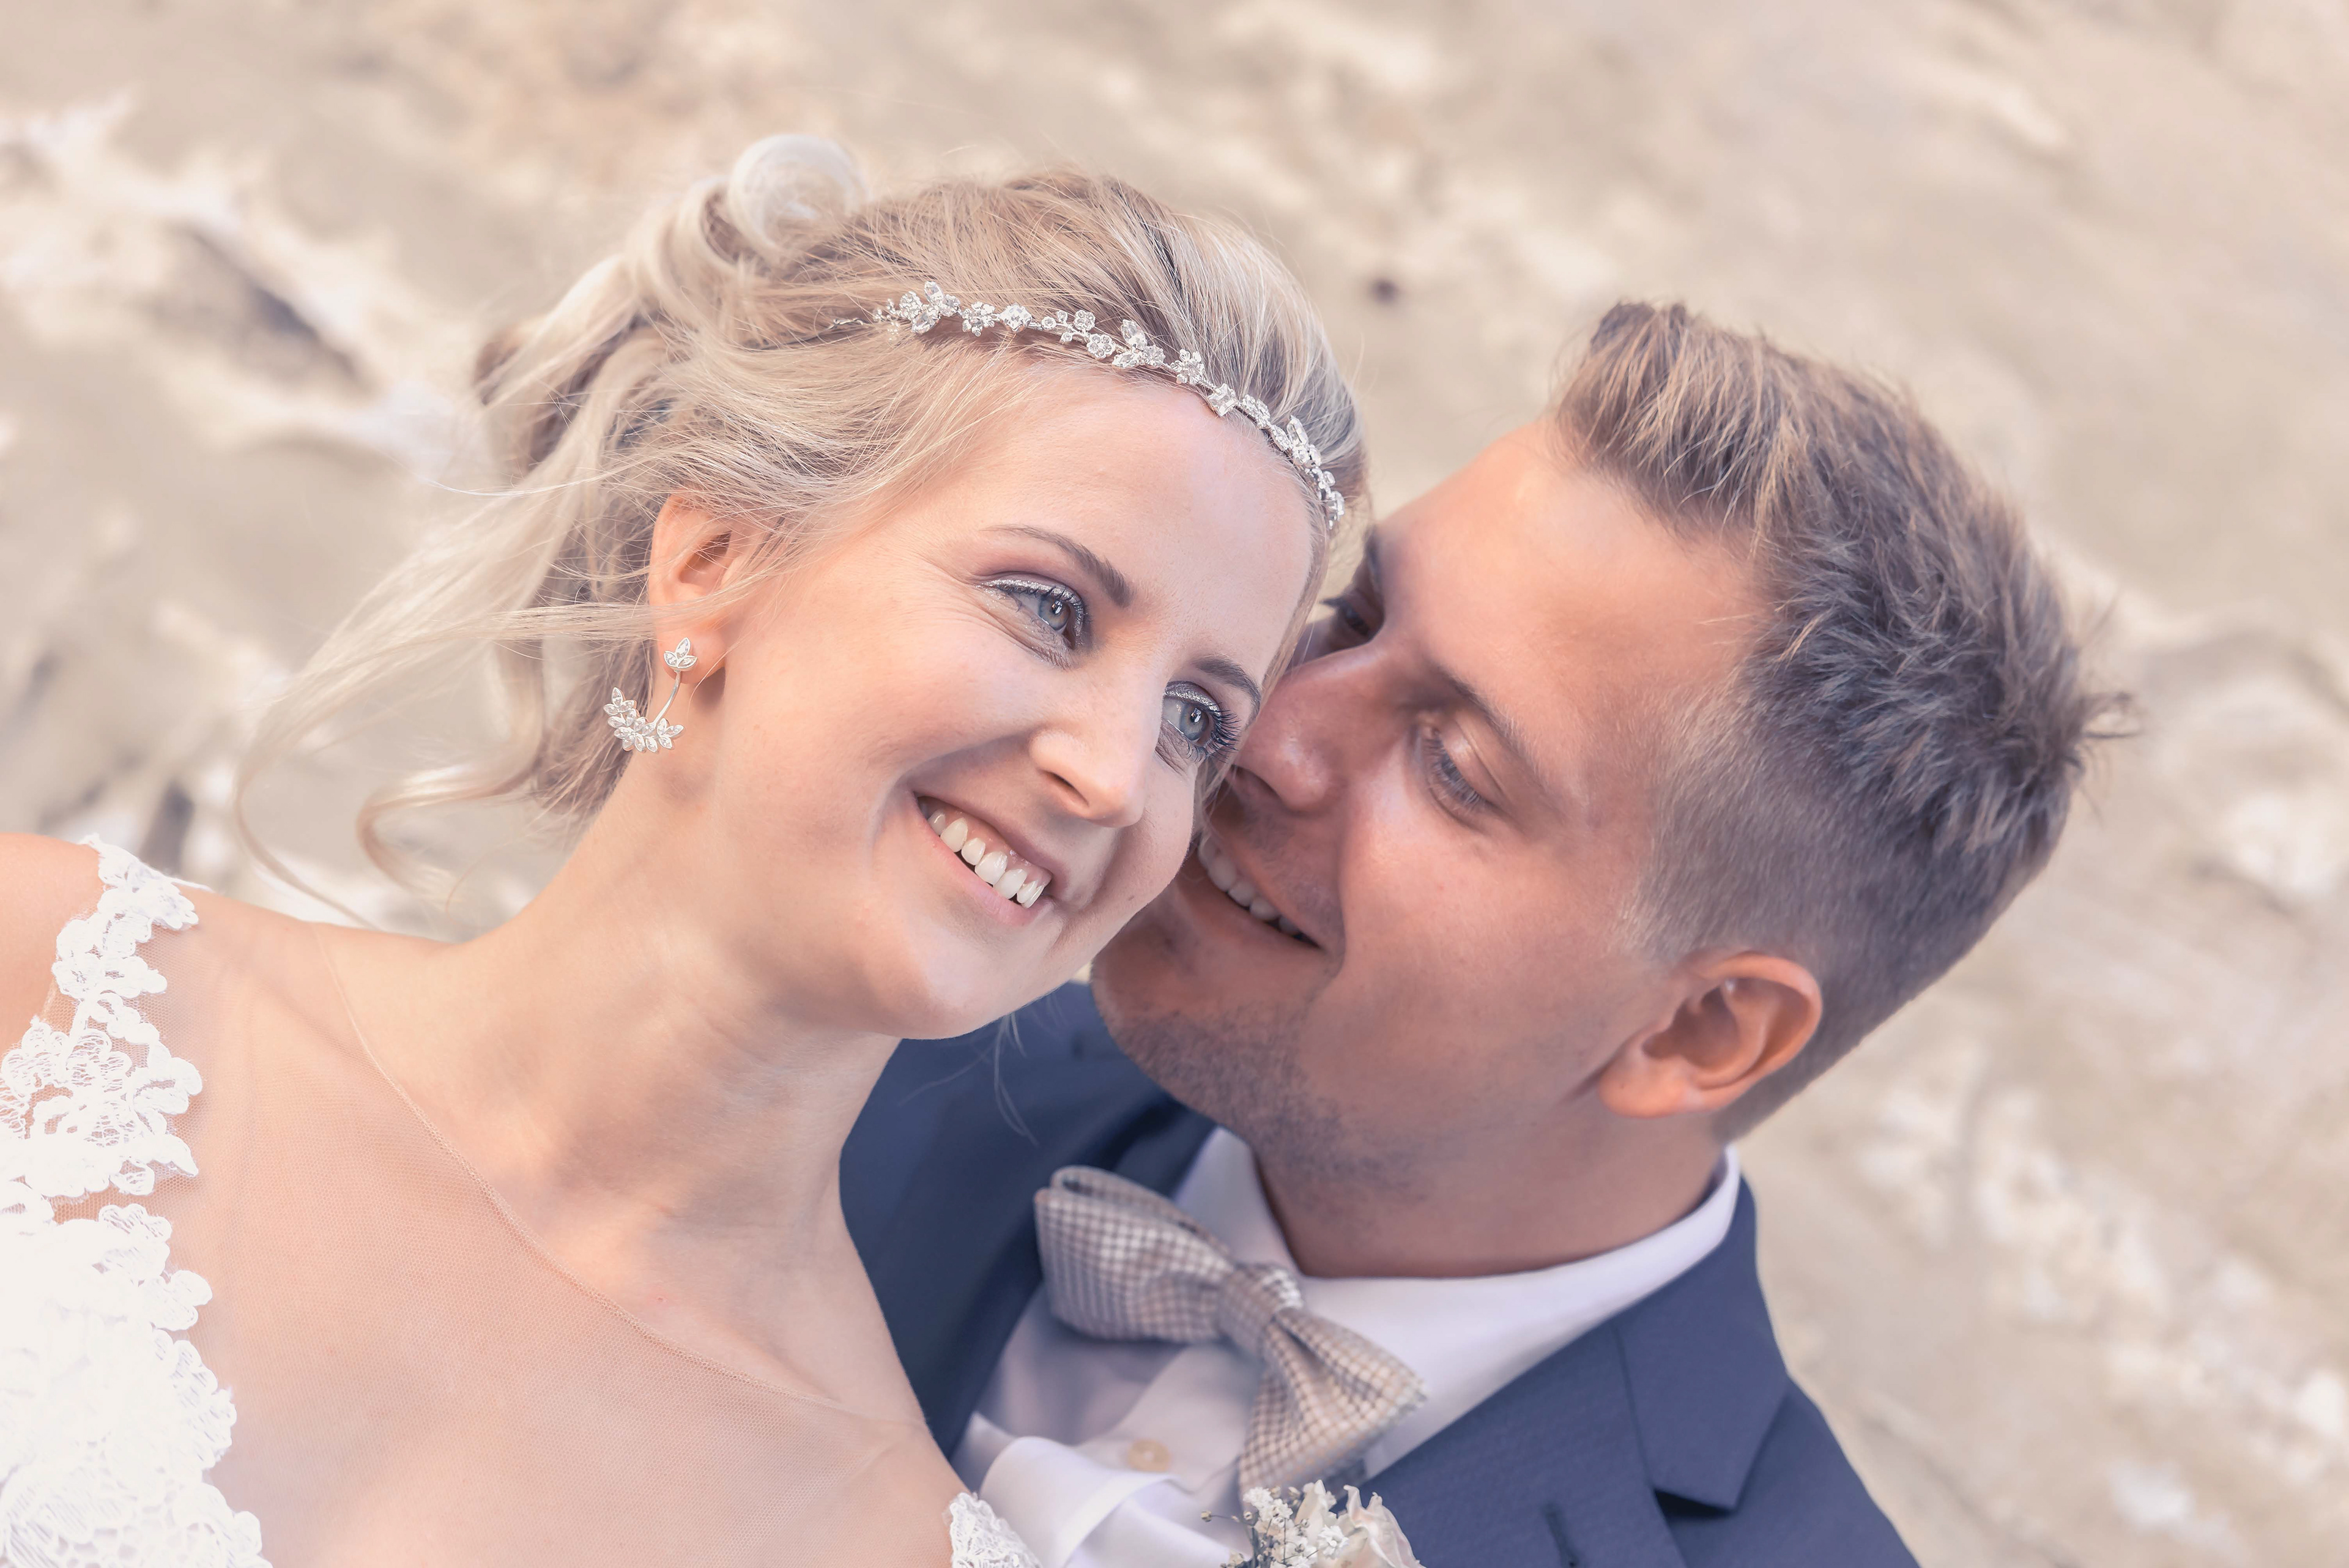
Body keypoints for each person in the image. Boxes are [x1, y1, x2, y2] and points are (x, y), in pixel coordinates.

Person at [0, 136, 1368, 1566]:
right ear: (714, 562)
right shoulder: (50, 989)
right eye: (1049, 606)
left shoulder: (896, 1538)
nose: (1113, 774)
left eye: (1197, 720)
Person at [844, 301, 2121, 1567]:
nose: (1264, 734)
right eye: (1354, 615)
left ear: (1699, 1031)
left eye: (1452, 765)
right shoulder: (873, 1046)